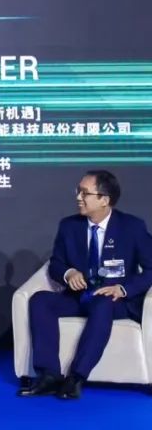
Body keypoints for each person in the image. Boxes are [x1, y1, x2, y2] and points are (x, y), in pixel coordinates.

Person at [19, 170, 152, 399]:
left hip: (115, 300)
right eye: (78, 191)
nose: (78, 197)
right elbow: (56, 264)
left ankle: (76, 378)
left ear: (104, 200)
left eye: (85, 193)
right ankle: (49, 375)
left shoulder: (132, 227)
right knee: (40, 300)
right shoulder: (69, 226)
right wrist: (69, 273)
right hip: (79, 296)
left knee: (103, 303)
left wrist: (123, 289)